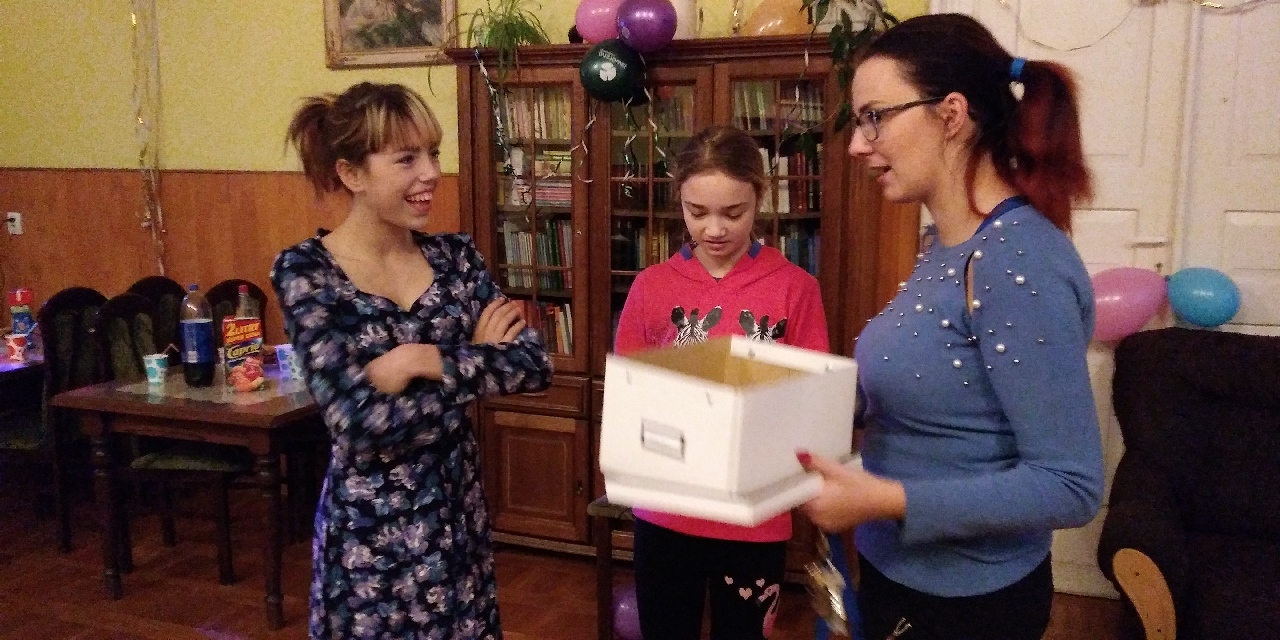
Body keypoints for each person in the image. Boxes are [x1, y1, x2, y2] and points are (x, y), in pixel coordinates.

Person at [796, 13, 1104, 640]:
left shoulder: (1019, 260)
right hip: (897, 573)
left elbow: (1070, 486)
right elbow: (934, 387)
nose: (857, 144)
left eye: (875, 117)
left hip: (965, 606)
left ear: (951, 114)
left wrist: (885, 500)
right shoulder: (946, 245)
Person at [270, 81, 552, 639]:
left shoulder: (455, 258)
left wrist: (419, 360)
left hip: (457, 519)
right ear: (352, 173)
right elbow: (356, 423)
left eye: (433, 153)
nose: (431, 173)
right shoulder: (306, 271)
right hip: (369, 538)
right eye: (406, 159)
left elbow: (532, 364)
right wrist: (476, 361)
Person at [614, 125, 830, 640]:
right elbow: (629, 398)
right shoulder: (650, 287)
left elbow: (814, 405)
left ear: (760, 197)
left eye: (733, 213)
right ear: (679, 201)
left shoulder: (795, 288)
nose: (714, 229)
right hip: (667, 511)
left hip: (754, 517)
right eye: (697, 212)